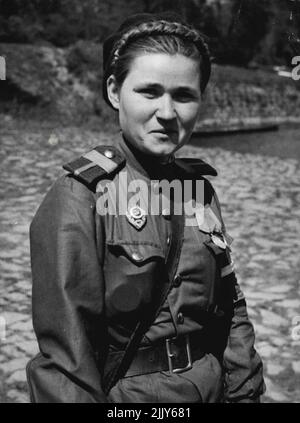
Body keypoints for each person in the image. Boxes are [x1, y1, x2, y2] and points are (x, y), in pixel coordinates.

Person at [26, 12, 265, 403]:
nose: (168, 113)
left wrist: (245, 392)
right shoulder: (80, 196)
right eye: (149, 92)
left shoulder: (198, 190)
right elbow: (65, 363)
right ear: (115, 92)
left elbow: (230, 308)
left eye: (184, 95)